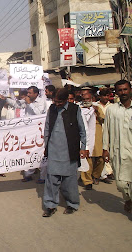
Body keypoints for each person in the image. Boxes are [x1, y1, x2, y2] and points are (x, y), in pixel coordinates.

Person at [42, 89, 88, 217]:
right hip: (53, 150)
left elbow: (82, 130)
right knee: (51, 180)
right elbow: (46, 128)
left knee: (69, 181)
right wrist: (46, 146)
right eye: (55, 101)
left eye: (59, 102)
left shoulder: (74, 109)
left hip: (69, 151)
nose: (57, 104)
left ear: (66, 99)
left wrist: (83, 147)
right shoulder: (51, 109)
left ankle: (72, 204)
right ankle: (50, 205)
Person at [6, 86, 47, 183]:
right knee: (28, 152)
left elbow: (39, 113)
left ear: (36, 94)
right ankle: (28, 174)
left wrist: (30, 103)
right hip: (29, 131)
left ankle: (43, 177)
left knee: (41, 154)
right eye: (27, 93)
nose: (28, 95)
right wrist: (6, 99)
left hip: (39, 131)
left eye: (30, 93)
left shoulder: (42, 102)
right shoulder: (26, 100)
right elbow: (17, 105)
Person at [103, 80, 132, 213]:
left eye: (125, 89)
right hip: (118, 151)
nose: (123, 92)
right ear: (116, 92)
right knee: (121, 184)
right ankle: (128, 199)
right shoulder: (111, 110)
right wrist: (105, 149)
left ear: (130, 90)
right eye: (120, 90)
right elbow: (106, 130)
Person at [80, 88, 107, 190]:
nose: (86, 101)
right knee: (87, 159)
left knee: (100, 158)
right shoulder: (79, 108)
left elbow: (104, 119)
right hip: (86, 137)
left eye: (88, 99)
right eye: (85, 99)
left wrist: (97, 113)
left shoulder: (97, 108)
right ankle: (87, 181)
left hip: (97, 136)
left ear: (92, 98)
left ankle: (95, 175)